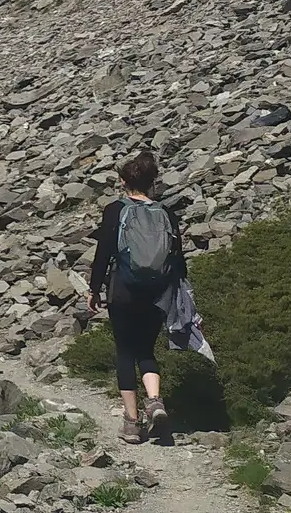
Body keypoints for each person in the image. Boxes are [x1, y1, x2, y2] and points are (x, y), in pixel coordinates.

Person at [90, 152, 187, 444]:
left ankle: (132, 423)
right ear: (152, 182)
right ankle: (155, 401)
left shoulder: (115, 210)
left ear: (123, 181)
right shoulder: (166, 213)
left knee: (125, 351)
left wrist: (93, 289)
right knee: (146, 350)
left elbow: (104, 253)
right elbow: (178, 259)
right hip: (157, 293)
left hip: (123, 290)